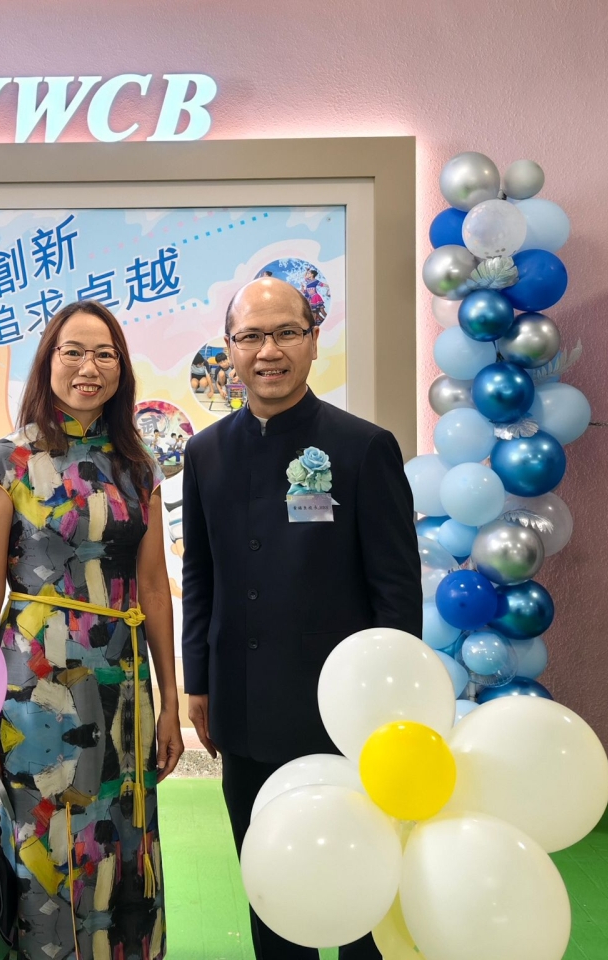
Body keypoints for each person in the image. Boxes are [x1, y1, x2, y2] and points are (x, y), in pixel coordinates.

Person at [180, 277, 421, 960]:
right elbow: (201, 576)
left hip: (343, 718)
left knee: (359, 896)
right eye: (251, 337)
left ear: (314, 341)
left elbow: (397, 591)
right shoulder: (205, 453)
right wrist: (199, 682)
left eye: (286, 332)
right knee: (273, 888)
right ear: (229, 349)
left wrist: (391, 701)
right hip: (243, 709)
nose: (269, 352)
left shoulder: (362, 447)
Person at [0, 300, 182, 960]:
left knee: (123, 841)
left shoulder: (138, 466)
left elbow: (153, 590)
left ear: (122, 369)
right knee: (44, 846)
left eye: (104, 354)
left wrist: (171, 703)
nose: (90, 367)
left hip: (124, 690)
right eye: (73, 352)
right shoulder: (4, 462)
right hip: (34, 693)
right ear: (47, 363)